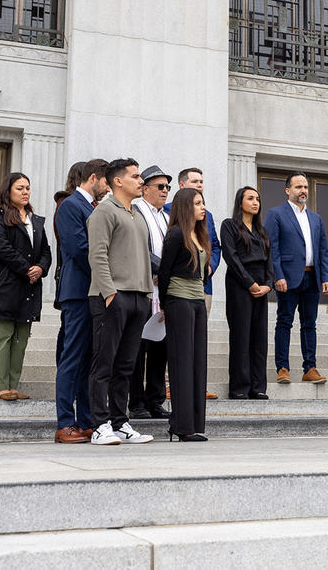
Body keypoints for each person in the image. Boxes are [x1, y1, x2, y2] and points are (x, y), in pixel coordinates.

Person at [86, 158, 154, 446]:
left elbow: (146, 256)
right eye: (136, 176)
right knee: (104, 363)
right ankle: (99, 425)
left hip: (139, 297)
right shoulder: (104, 211)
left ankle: (120, 422)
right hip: (112, 297)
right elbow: (97, 255)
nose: (141, 181)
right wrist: (109, 292)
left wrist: (148, 293)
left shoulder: (137, 214)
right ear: (118, 181)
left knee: (126, 366)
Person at [0, 173, 52, 401]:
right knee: (1, 338)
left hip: (27, 289)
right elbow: (1, 247)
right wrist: (27, 269)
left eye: (28, 188)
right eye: (20, 188)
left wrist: (40, 268)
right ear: (8, 190)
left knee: (20, 339)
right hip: (3, 286)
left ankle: (12, 385)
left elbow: (46, 251)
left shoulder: (34, 219)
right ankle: (0, 386)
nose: (25, 192)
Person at [54, 158, 108, 444]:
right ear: (94, 178)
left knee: (89, 360)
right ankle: (65, 423)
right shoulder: (70, 206)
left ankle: (85, 421)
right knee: (72, 358)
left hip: (93, 291)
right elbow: (79, 248)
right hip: (77, 292)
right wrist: (107, 271)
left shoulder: (92, 207)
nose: (109, 186)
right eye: (106, 180)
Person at [267, 172, 328, 384]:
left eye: (305, 187)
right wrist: (278, 275)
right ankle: (282, 368)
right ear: (288, 190)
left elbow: (322, 250)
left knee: (309, 324)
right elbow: (273, 248)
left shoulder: (316, 218)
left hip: (312, 277)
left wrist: (326, 277)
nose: (303, 190)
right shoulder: (276, 214)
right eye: (298, 187)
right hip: (288, 279)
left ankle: (309, 368)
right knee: (284, 322)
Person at [159, 188, 212, 441]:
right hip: (178, 300)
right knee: (182, 362)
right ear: (185, 206)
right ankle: (181, 426)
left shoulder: (199, 234)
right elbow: (165, 272)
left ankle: (193, 423)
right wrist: (164, 305)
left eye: (203, 203)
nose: (203, 208)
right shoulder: (176, 234)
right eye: (198, 203)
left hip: (198, 301)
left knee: (197, 362)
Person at [167, 168, 221, 399]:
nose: (199, 184)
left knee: (197, 339)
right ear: (182, 185)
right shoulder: (171, 212)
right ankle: (171, 384)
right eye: (194, 181)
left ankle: (197, 384)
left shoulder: (205, 214)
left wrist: (209, 266)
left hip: (202, 287)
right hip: (178, 288)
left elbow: (215, 246)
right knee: (178, 339)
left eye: (201, 181)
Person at [220, 186, 274, 400]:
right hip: (240, 286)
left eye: (258, 199)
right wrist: (250, 283)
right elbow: (231, 257)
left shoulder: (262, 230)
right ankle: (239, 387)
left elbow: (270, 259)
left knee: (259, 339)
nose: (255, 202)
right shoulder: (230, 226)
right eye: (250, 198)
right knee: (241, 337)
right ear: (239, 202)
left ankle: (258, 386)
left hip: (262, 287)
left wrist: (268, 284)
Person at [129, 165, 173, 420]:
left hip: (163, 290)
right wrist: (162, 268)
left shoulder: (166, 216)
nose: (165, 191)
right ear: (145, 188)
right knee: (137, 348)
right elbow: (137, 248)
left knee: (160, 346)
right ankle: (136, 402)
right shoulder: (136, 212)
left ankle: (156, 400)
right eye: (160, 186)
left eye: (167, 187)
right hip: (144, 288)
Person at [53, 161, 85, 366]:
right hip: (73, 275)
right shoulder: (67, 204)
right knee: (69, 331)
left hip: (80, 278)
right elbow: (73, 245)